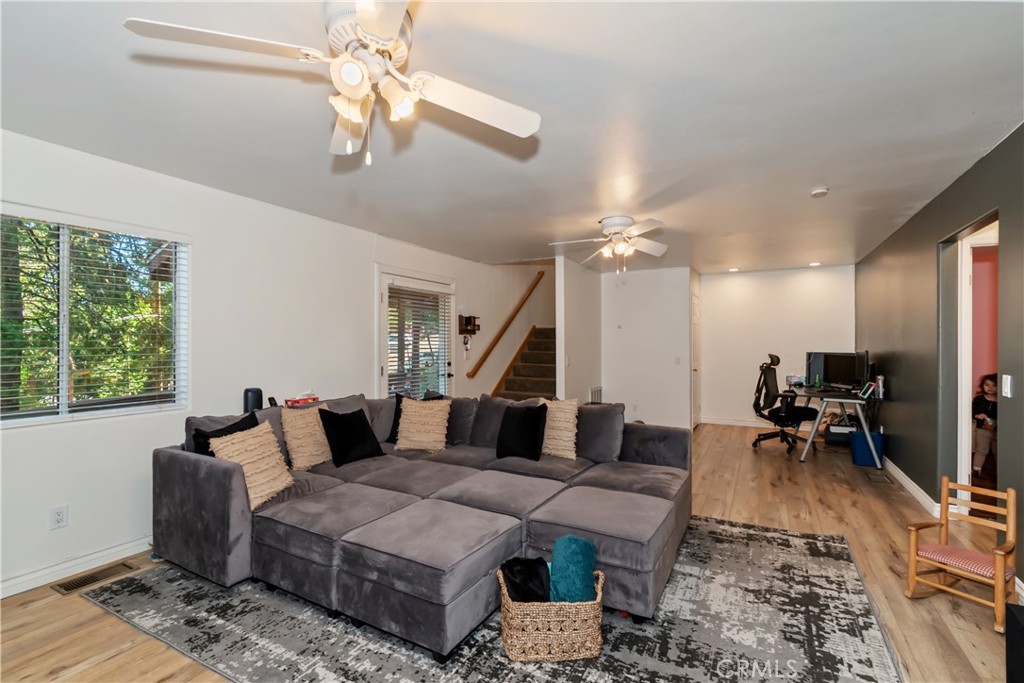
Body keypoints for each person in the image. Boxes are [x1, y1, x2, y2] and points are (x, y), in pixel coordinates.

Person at [972, 373, 998, 475]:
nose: (990, 388)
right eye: (987, 385)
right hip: (982, 429)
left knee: (998, 451)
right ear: (983, 386)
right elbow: (973, 412)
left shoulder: (1004, 401)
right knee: (981, 450)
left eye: (994, 385)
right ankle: (976, 469)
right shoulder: (979, 399)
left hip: (998, 430)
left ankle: (999, 472)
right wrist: (977, 415)